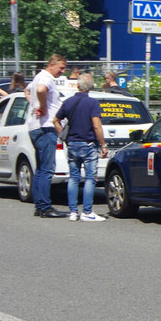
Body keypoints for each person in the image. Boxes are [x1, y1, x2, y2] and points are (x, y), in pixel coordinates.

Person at [53, 73, 108, 221]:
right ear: (91, 87)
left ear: (78, 86)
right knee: (90, 178)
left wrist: (63, 137)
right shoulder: (93, 103)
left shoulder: (69, 102)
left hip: (72, 144)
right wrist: (103, 144)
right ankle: (87, 212)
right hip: (88, 144)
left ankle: (72, 212)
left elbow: (56, 120)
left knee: (74, 178)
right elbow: (96, 126)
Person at [28, 55, 68, 218]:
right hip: (46, 127)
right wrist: (43, 108)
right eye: (61, 68)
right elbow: (40, 90)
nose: (63, 71)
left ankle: (39, 205)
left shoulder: (38, 76)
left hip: (35, 127)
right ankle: (44, 207)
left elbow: (27, 90)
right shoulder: (47, 78)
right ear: (52, 65)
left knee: (40, 169)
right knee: (47, 169)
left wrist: (35, 105)